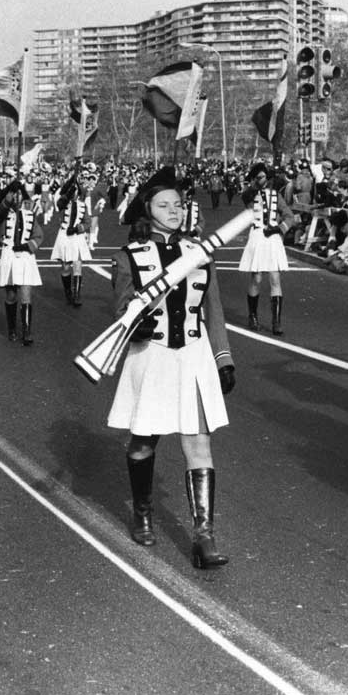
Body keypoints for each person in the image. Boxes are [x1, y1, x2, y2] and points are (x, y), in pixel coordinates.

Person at [107, 167, 237, 568]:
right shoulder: (129, 256)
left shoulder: (201, 252)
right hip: (152, 355)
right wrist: (135, 322)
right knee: (145, 440)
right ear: (148, 210)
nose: (174, 211)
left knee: (199, 443)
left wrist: (223, 358)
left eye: (178, 204)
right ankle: (143, 511)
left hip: (193, 356)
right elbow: (122, 307)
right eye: (164, 205)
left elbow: (212, 309)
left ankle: (204, 535)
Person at [238, 162, 294, 335]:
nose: (263, 180)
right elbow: (247, 198)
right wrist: (254, 186)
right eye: (259, 177)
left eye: (264, 177)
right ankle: (252, 316)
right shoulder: (249, 195)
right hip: (257, 236)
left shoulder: (276, 196)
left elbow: (289, 216)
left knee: (275, 279)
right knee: (257, 278)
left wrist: (278, 228)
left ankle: (276, 321)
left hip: (273, 238)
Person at [0, 179, 43, 346]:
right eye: (15, 194)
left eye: (20, 193)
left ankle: (27, 331)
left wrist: (27, 246)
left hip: (26, 256)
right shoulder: (4, 213)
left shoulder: (30, 213)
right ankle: (12, 329)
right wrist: (10, 194)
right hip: (8, 255)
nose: (17, 197)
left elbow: (39, 236)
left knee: (26, 293)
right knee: (11, 295)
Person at [50, 170, 92, 307]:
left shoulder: (82, 205)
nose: (75, 194)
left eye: (76, 192)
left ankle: (77, 295)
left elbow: (87, 223)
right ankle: (68, 292)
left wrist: (77, 228)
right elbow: (60, 202)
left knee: (78, 265)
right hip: (64, 236)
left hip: (77, 237)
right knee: (65, 267)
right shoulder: (63, 203)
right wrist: (71, 179)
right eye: (72, 191)